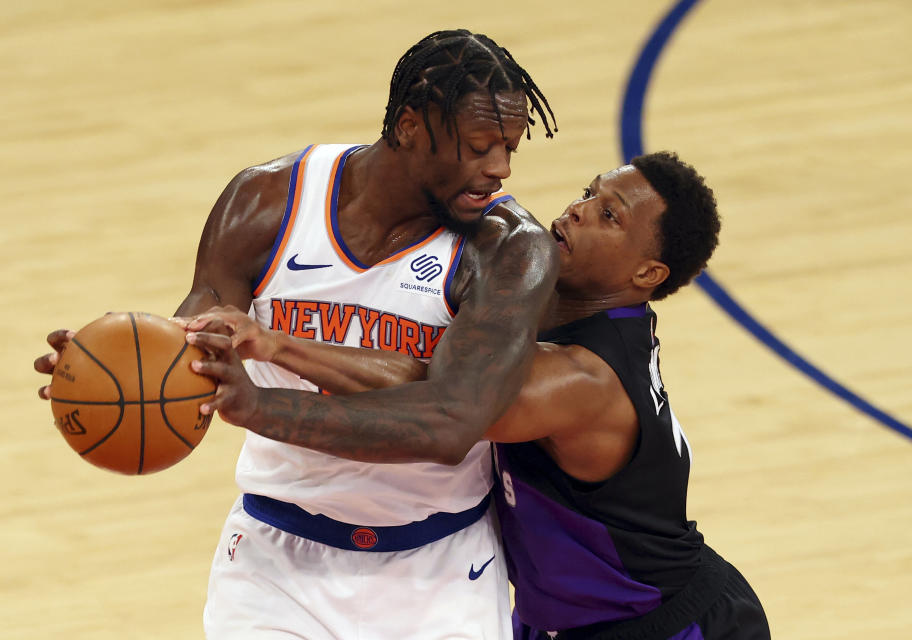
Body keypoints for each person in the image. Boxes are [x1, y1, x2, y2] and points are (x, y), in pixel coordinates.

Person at [35, 29, 559, 639]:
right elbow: (196, 336)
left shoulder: (511, 251)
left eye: (508, 148)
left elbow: (451, 424)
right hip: (274, 565)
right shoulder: (270, 202)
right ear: (411, 127)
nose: (498, 169)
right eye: (478, 147)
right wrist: (114, 366)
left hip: (440, 573)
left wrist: (258, 405)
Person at [182, 152, 771, 639]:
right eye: (590, 193)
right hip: (561, 621)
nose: (578, 211)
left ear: (647, 275)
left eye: (609, 216)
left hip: (663, 625)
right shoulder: (552, 311)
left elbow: (447, 398)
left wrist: (279, 348)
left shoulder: (584, 377)